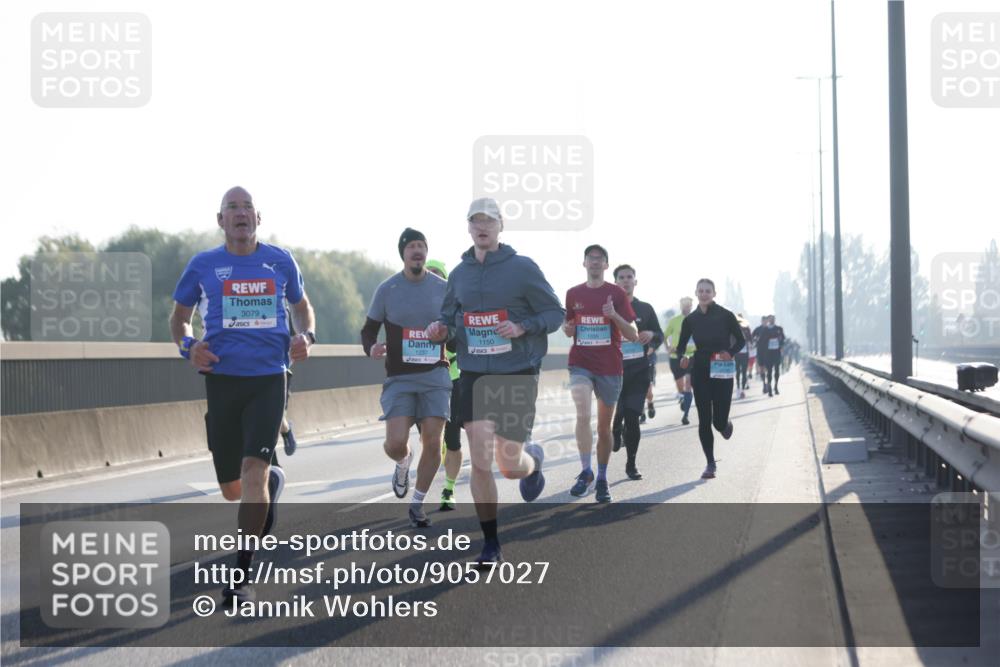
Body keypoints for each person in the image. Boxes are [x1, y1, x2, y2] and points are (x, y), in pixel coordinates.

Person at [170, 186, 316, 603]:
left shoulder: (280, 260)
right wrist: (188, 347)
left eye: (247, 207)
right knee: (233, 488)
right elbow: (179, 320)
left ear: (258, 218)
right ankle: (271, 481)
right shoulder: (203, 265)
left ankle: (240, 576)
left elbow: (302, 306)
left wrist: (306, 334)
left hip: (270, 378)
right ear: (220, 220)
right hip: (222, 380)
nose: (240, 213)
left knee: (252, 474)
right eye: (232, 208)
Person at [426, 198, 564, 565]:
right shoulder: (458, 274)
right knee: (480, 462)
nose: (482, 227)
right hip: (473, 373)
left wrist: (523, 326)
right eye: (475, 221)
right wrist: (440, 331)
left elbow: (554, 313)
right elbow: (449, 320)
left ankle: (532, 459)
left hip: (517, 371)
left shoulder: (522, 268)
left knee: (510, 464)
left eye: (489, 221)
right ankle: (490, 543)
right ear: (468, 227)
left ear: (501, 226)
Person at [361, 229, 450, 528]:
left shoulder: (443, 288)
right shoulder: (388, 289)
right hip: (400, 378)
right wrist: (370, 347)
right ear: (402, 253)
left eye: (421, 246)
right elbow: (368, 330)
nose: (417, 251)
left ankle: (418, 503)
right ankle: (402, 462)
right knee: (395, 443)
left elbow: (458, 329)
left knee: (433, 442)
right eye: (411, 246)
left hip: (436, 375)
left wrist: (447, 332)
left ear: (426, 252)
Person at [563, 246, 638, 503]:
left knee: (604, 428)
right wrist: (567, 327)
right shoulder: (573, 294)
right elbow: (569, 329)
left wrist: (614, 315)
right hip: (581, 362)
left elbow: (633, 334)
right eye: (591, 258)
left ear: (606, 265)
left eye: (600, 259)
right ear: (583, 263)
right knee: (582, 412)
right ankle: (586, 472)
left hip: (609, 367)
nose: (595, 262)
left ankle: (603, 477)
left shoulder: (616, 293)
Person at [675, 279, 745, 480]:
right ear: (696, 293)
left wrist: (730, 352)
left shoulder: (725, 315)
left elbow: (740, 341)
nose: (704, 294)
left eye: (708, 291)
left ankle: (724, 424)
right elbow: (680, 346)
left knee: (718, 420)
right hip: (701, 369)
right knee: (704, 418)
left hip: (722, 369)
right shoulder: (691, 320)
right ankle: (710, 463)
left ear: (714, 293)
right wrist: (683, 357)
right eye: (701, 291)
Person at [610, 264, 664, 480]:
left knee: (632, 416)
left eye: (629, 277)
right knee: (619, 413)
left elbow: (659, 335)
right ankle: (615, 429)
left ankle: (631, 464)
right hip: (613, 371)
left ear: (635, 281)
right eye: (621, 277)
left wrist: (651, 334)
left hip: (639, 370)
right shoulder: (608, 308)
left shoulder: (645, 309)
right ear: (615, 282)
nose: (625, 280)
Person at [425, 258, 463, 511]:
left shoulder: (456, 307)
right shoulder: (415, 308)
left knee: (453, 439)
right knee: (431, 439)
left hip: (455, 378)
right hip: (426, 381)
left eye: (439, 275)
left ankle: (449, 489)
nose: (434, 278)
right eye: (430, 273)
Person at [664, 297, 696, 425]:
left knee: (688, 383)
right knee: (680, 386)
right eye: (684, 305)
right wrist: (667, 348)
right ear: (681, 306)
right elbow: (664, 336)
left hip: (692, 355)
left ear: (691, 306)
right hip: (676, 356)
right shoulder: (674, 321)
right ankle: (682, 396)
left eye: (688, 305)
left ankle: (686, 415)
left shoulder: (697, 319)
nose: (686, 307)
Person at [756, 315, 785, 396]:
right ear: (768, 320)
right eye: (770, 319)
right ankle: (769, 387)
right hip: (768, 353)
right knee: (769, 371)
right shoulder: (765, 329)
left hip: (776, 352)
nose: (772, 320)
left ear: (774, 320)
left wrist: (781, 345)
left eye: (773, 319)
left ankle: (776, 386)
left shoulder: (779, 329)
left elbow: (783, 339)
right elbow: (760, 341)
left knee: (777, 370)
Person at [734, 314, 752, 399]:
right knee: (737, 372)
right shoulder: (733, 328)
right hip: (737, 353)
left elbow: (750, 339)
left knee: (744, 372)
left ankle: (742, 389)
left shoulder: (746, 329)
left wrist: (749, 341)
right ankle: (738, 388)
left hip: (745, 353)